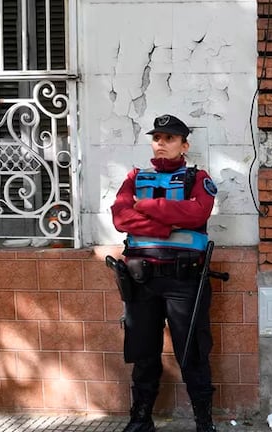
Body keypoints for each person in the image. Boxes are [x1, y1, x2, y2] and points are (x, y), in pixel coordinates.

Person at [110, 114, 218, 432]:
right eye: (157, 137)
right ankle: (141, 419)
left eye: (169, 138)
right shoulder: (134, 176)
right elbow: (120, 218)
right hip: (141, 280)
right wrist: (168, 223)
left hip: (185, 280)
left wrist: (147, 206)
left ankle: (204, 422)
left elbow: (199, 211)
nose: (161, 143)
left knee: (192, 353)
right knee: (144, 353)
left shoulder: (197, 178)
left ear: (184, 145)